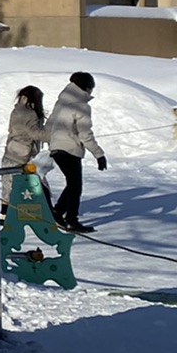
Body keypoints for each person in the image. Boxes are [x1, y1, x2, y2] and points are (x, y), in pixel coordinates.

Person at [46, 71, 108, 232]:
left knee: (72, 184)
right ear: (87, 88)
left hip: (56, 148)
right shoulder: (81, 106)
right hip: (70, 149)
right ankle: (71, 220)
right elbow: (85, 134)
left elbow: (49, 126)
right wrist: (99, 154)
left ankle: (58, 211)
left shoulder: (61, 102)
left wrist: (51, 143)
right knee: (75, 186)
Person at [0, 86, 49, 210]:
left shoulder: (17, 109)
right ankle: (48, 213)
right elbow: (35, 133)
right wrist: (52, 134)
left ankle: (5, 216)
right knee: (39, 184)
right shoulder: (29, 113)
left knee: (8, 188)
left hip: (11, 152)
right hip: (24, 156)